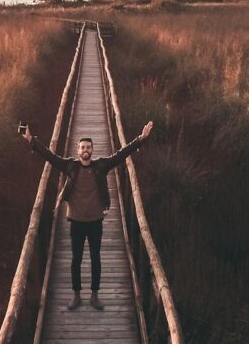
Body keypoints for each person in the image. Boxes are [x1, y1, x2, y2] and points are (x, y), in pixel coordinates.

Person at [22, 121, 153, 310]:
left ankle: (94, 295)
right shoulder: (70, 166)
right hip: (76, 221)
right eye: (82, 147)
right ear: (78, 150)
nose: (85, 150)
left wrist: (141, 138)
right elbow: (49, 156)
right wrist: (29, 139)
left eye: (88, 147)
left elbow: (122, 154)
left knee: (95, 258)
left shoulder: (101, 165)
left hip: (95, 222)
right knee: (76, 259)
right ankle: (76, 295)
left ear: (92, 150)